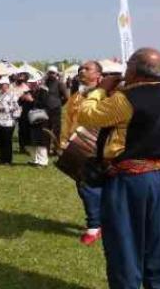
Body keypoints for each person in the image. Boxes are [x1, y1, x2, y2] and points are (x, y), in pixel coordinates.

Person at [77, 47, 160, 289]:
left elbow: (86, 114)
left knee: (125, 243)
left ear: (133, 69)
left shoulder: (126, 99)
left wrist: (101, 89)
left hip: (131, 179)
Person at [59, 60, 104, 245]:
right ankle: (98, 222)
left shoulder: (107, 95)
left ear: (99, 75)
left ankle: (94, 226)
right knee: (84, 185)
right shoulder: (76, 96)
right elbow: (68, 120)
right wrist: (63, 142)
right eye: (80, 69)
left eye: (87, 68)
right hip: (76, 146)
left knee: (88, 186)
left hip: (97, 147)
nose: (82, 71)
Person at [0, 76, 20, 165]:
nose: (0, 86)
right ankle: (2, 158)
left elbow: (15, 107)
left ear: (6, 85)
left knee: (7, 141)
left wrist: (1, 108)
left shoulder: (12, 95)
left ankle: (7, 160)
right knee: (0, 141)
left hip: (8, 122)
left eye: (1, 85)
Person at [20, 82, 51, 167]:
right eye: (30, 83)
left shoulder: (43, 91)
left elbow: (44, 105)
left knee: (40, 142)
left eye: (33, 83)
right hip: (28, 121)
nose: (31, 84)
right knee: (30, 142)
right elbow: (20, 102)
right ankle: (34, 160)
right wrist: (22, 98)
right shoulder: (28, 92)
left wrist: (32, 100)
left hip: (39, 121)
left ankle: (43, 162)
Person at [44, 66, 69, 155]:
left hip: (56, 110)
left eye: (53, 73)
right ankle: (46, 150)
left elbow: (66, 97)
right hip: (46, 111)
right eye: (50, 73)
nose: (51, 74)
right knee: (46, 131)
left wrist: (59, 104)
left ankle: (56, 150)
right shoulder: (45, 83)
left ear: (56, 74)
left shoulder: (60, 84)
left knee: (56, 131)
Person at [12, 73, 31, 152]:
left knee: (22, 129)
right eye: (19, 77)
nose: (20, 79)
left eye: (22, 78)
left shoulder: (26, 88)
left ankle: (23, 147)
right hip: (12, 110)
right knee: (11, 129)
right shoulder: (11, 86)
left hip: (22, 111)